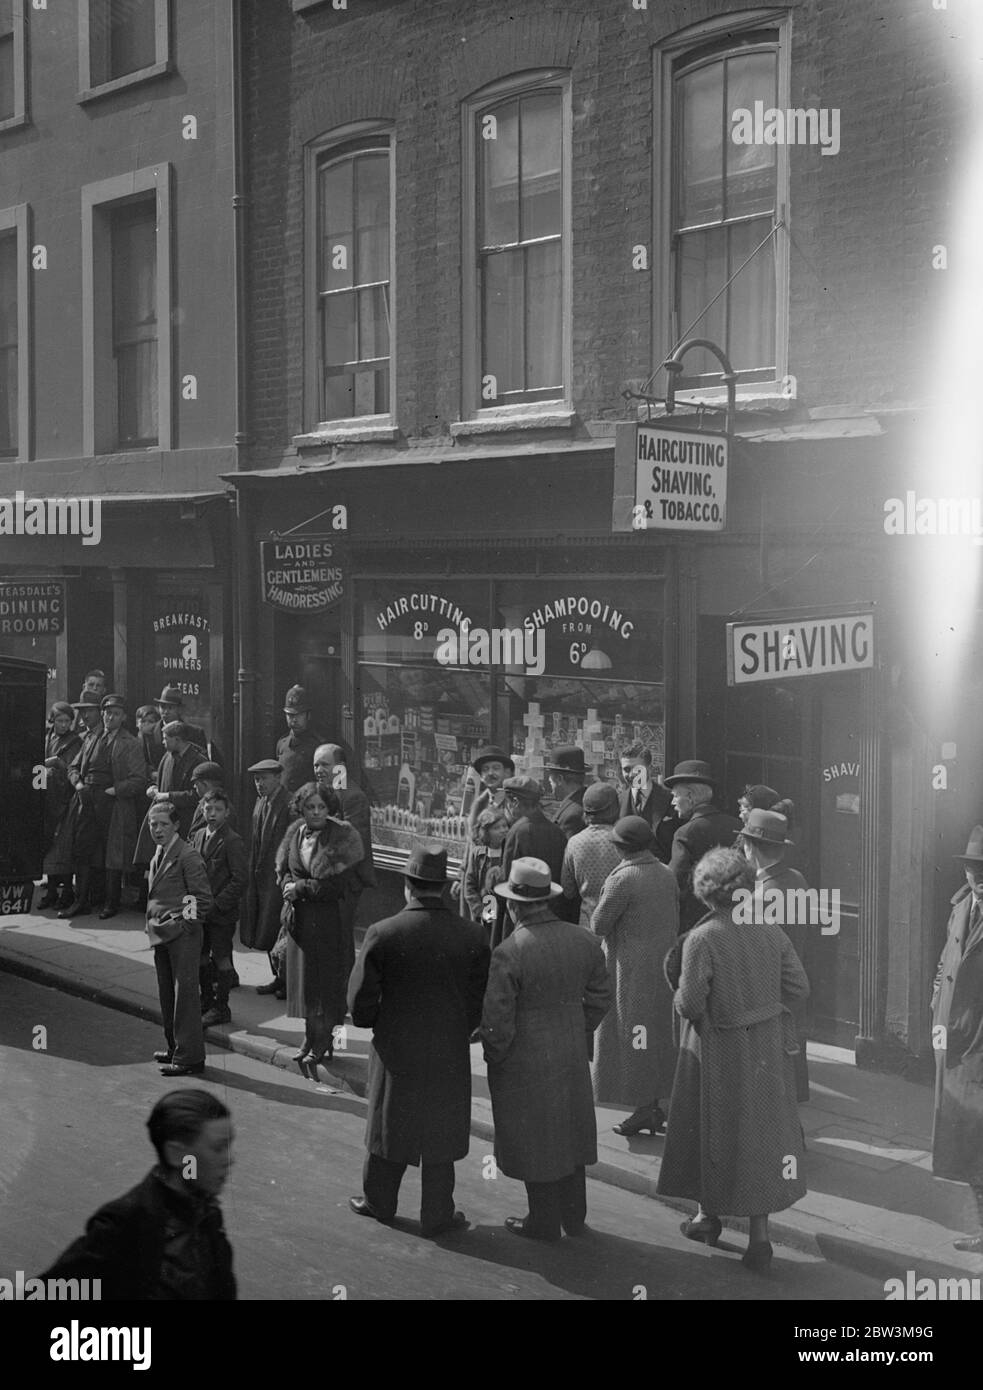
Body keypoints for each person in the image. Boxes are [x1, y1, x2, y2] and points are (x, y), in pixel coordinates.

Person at [657, 847, 809, 1274]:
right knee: (759, 1137)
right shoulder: (768, 927)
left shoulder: (703, 938)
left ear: (706, 893)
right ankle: (758, 1240)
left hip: (718, 1047)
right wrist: (764, 1006)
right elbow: (798, 987)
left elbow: (688, 1005)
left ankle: (708, 1218)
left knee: (714, 1130)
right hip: (766, 1048)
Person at [347, 845, 490, 1236]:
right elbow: (480, 997)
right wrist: (461, 1027)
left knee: (388, 1121)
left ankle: (379, 1201)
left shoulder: (384, 932)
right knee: (440, 1130)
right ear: (443, 888)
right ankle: (437, 1214)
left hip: (397, 1045)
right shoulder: (472, 935)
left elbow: (360, 999)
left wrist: (375, 1022)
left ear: (407, 887)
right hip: (448, 1048)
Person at [480, 857, 612, 1241]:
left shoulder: (510, 950)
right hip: (569, 1049)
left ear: (512, 904)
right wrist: (575, 1026)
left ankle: (542, 1220)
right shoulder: (583, 939)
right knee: (569, 1131)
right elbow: (601, 996)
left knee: (536, 1135)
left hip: (525, 1054)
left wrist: (496, 1054)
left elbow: (497, 1017)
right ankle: (574, 1218)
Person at [40, 1090, 235, 1300]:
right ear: (177, 1154)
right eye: (218, 1148)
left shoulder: (207, 1214)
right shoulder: (126, 1223)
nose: (229, 1159)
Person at [590, 815, 678, 1137]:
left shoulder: (623, 879)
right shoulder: (666, 874)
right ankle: (657, 1103)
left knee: (632, 1037)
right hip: (662, 969)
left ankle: (643, 1109)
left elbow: (599, 925)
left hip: (628, 972)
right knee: (654, 1035)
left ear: (620, 848)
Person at [275, 782, 364, 1078]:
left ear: (329, 809)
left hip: (326, 920)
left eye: (321, 807)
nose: (315, 812)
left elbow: (337, 886)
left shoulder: (340, 838)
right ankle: (310, 1035)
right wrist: (288, 884)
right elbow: (287, 868)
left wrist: (298, 888)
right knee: (305, 984)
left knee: (325, 985)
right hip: (300, 920)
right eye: (310, 807)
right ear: (301, 809)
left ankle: (326, 1040)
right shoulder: (296, 834)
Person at [931, 825, 983, 1253]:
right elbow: (944, 961)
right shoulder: (962, 907)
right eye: (971, 868)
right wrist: (936, 1008)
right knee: (968, 1142)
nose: (977, 876)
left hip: (980, 1043)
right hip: (954, 1037)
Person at [736, 809, 811, 1103]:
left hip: (767, 992)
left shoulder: (760, 897)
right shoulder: (796, 879)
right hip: (793, 984)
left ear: (751, 848)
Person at [146, 801, 213, 1076]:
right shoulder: (159, 852)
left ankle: (190, 1058)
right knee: (167, 995)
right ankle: (175, 1048)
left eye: (163, 824)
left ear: (176, 825)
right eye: (153, 824)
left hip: (181, 936)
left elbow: (202, 899)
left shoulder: (187, 856)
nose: (157, 829)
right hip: (160, 934)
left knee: (184, 997)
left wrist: (181, 922)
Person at [492, 775, 572, 946]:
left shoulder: (518, 832)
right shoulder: (556, 831)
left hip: (521, 918)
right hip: (551, 918)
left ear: (514, 802)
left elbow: (507, 881)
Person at [191, 791, 249, 1027]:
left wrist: (217, 904)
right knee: (200, 956)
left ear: (227, 813)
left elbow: (240, 879)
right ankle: (206, 1000)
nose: (212, 813)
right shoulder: (197, 836)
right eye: (208, 808)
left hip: (221, 914)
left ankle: (221, 1007)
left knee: (222, 959)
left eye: (217, 809)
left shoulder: (232, 840)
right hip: (198, 911)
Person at [665, 760, 743, 932]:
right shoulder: (736, 825)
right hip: (735, 919)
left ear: (691, 797)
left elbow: (673, 884)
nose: (672, 802)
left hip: (696, 923)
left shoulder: (685, 832)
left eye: (675, 796)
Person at [58, 693, 114, 919]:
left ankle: (94, 898)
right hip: (84, 801)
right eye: (81, 711)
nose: (84, 715)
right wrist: (78, 784)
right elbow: (73, 767)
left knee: (101, 852)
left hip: (105, 802)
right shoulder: (87, 737)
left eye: (88, 710)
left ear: (100, 712)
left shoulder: (109, 737)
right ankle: (82, 899)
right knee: (81, 850)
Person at [240, 759, 292, 995]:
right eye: (256, 779)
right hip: (261, 873)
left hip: (279, 875)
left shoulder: (289, 805)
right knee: (266, 927)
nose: (259, 784)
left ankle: (286, 980)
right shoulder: (260, 803)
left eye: (264, 778)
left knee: (280, 927)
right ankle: (277, 977)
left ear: (278, 778)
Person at [97, 695, 149, 919]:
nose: (110, 717)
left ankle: (112, 902)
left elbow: (139, 779)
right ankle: (94, 897)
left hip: (117, 804)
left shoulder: (131, 744)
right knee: (93, 848)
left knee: (114, 855)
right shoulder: (94, 738)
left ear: (124, 717)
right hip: (93, 802)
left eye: (116, 713)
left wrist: (116, 789)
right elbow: (77, 764)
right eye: (108, 712)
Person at [456, 745, 515, 920]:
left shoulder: (512, 807)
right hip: (475, 884)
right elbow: (470, 845)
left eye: (496, 768)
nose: (490, 773)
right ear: (481, 776)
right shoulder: (479, 805)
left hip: (499, 886)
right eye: (485, 769)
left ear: (508, 773)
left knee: (493, 929)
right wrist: (461, 875)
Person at [313, 742, 376, 897]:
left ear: (340, 767)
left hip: (347, 884)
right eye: (316, 765)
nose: (319, 771)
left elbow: (352, 843)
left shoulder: (352, 797)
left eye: (325, 765)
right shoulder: (322, 794)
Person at [561, 782, 623, 927]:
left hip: (588, 923)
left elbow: (568, 891)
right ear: (615, 809)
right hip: (620, 922)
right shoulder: (623, 841)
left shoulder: (574, 843)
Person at [38, 703, 82, 909]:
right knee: (47, 847)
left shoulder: (75, 741)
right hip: (47, 800)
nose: (64, 725)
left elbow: (71, 768)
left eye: (67, 721)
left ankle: (67, 892)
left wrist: (56, 764)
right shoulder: (47, 738)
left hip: (65, 800)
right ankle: (52, 891)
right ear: (52, 721)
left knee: (64, 848)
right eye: (59, 721)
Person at [463, 804, 509, 935]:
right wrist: (478, 910)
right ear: (486, 831)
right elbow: (470, 884)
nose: (503, 830)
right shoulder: (477, 854)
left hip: (502, 910)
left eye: (505, 826)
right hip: (485, 909)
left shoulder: (509, 852)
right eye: (496, 828)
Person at [152, 685, 221, 766]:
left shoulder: (195, 733)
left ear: (179, 709)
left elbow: (203, 764)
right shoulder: (148, 733)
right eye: (163, 707)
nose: (166, 712)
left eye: (170, 707)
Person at [276, 685, 323, 794]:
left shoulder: (318, 746)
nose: (294, 719)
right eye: (290, 715)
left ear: (308, 715)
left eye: (299, 715)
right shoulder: (282, 744)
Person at [545, 746, 587, 839]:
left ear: (560, 779)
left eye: (550, 776)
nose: (549, 780)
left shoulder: (572, 815)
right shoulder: (583, 799)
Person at [187, 762, 237, 839]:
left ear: (205, 784)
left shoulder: (221, 808)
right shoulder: (206, 803)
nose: (194, 786)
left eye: (196, 783)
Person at [135, 704, 164, 780]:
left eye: (151, 721)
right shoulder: (133, 742)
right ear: (137, 723)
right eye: (143, 721)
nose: (146, 724)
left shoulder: (159, 741)